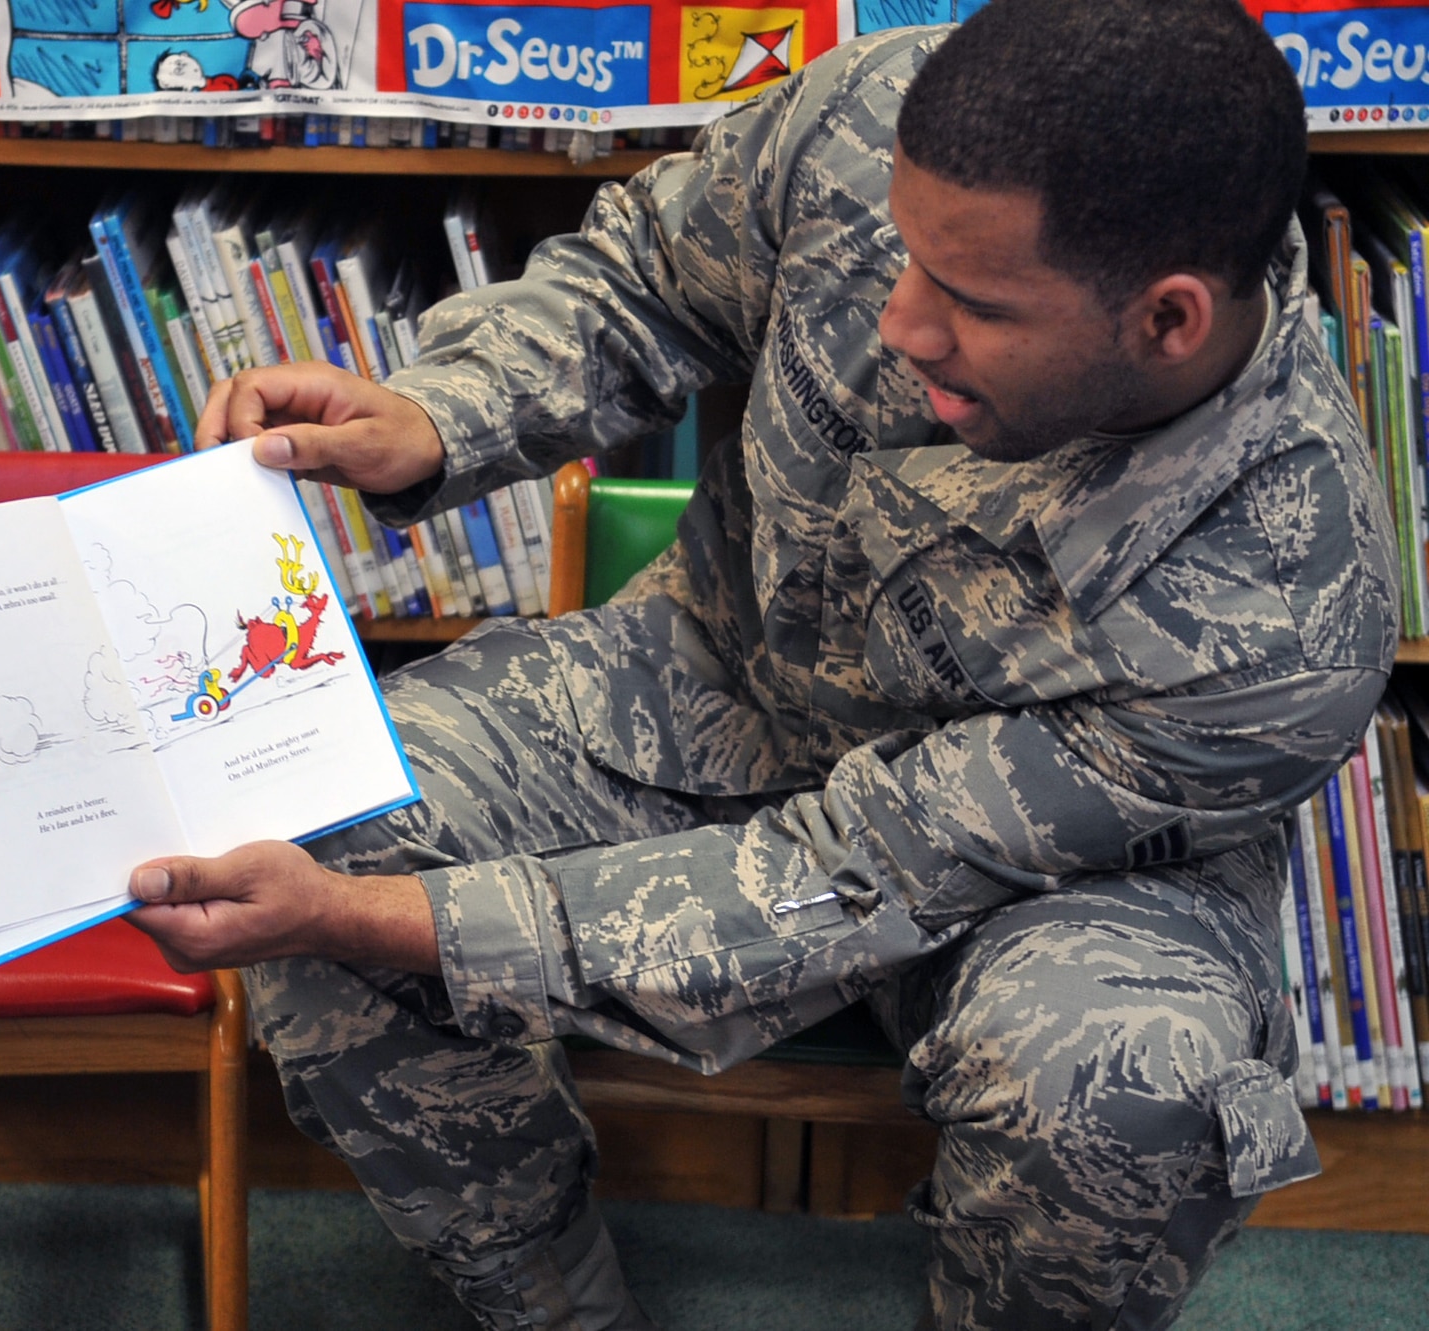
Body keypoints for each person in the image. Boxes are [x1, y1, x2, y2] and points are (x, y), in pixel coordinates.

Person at [124, 1, 1399, 1327]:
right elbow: (644, 276)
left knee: (1125, 1088)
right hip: (720, 695)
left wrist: (373, 926)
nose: (899, 319)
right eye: (902, 254)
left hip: (1058, 886)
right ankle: (553, 1311)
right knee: (325, 815)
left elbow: (848, 878)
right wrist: (442, 413)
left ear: (1170, 322)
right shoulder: (883, 116)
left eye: (967, 301)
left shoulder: (1284, 611)